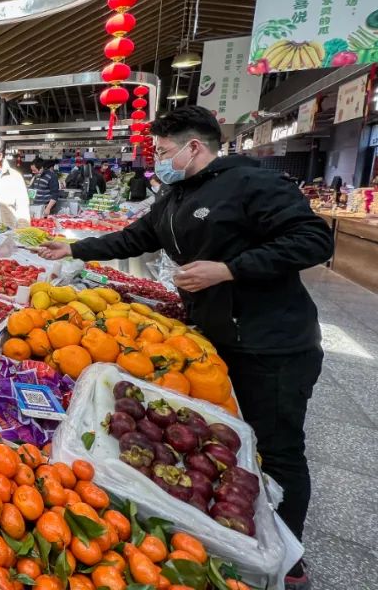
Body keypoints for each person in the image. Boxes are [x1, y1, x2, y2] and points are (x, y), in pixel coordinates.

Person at [36, 105, 332, 589]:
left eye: (163, 150)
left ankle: (289, 563)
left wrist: (230, 268)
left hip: (270, 342)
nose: (158, 159)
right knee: (228, 444)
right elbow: (137, 236)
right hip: (213, 337)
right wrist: (74, 248)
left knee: (278, 450)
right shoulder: (176, 195)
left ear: (195, 146)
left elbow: (314, 239)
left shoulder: (251, 183)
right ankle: (231, 533)